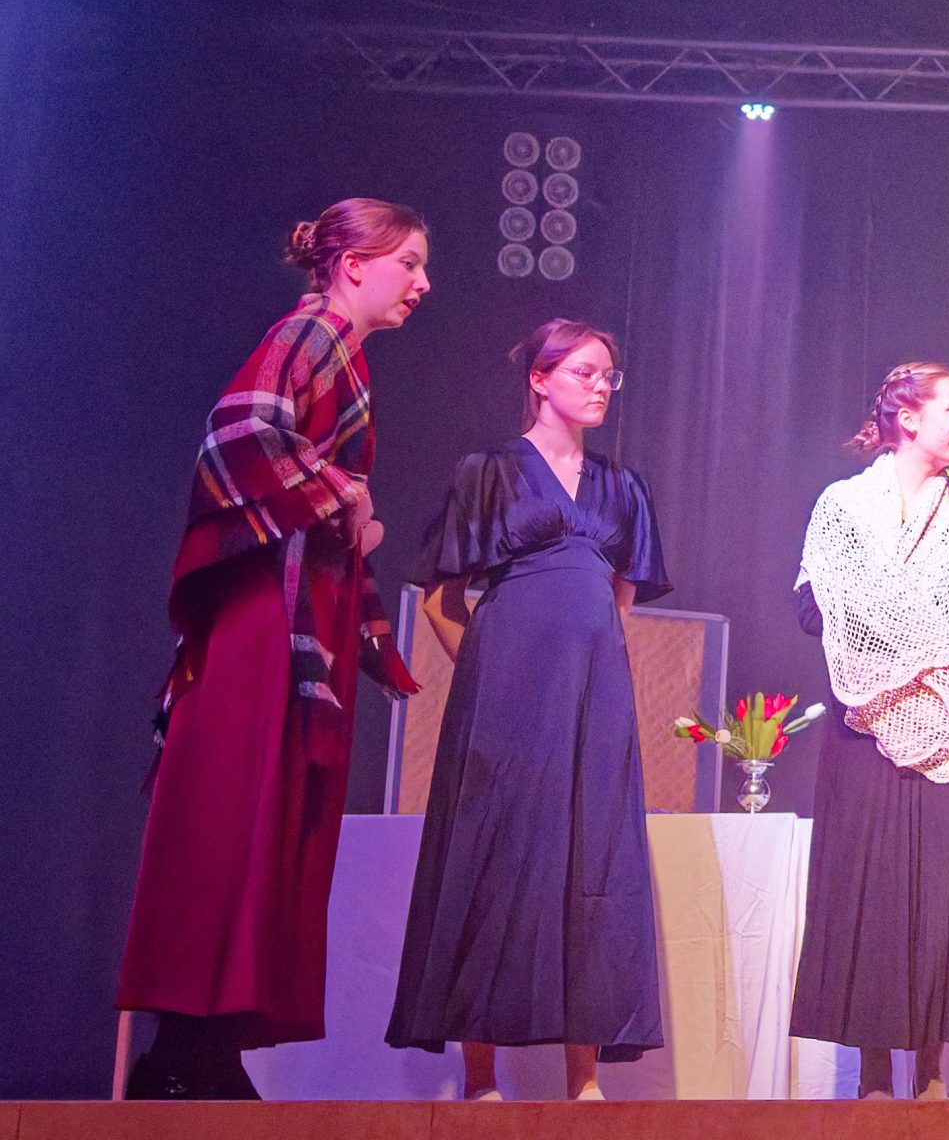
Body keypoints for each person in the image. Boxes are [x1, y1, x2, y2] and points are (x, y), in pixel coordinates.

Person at [118, 200, 431, 1100]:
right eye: (408, 262)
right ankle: (184, 1047)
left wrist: (347, 516)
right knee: (237, 804)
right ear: (353, 263)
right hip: (268, 615)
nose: (422, 283)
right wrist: (342, 496)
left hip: (301, 612)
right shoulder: (313, 332)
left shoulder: (342, 350)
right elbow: (239, 431)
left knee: (273, 815)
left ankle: (203, 1047)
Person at [387, 319, 671, 1099]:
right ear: (540, 379)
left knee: (593, 854)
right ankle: (480, 1079)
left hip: (593, 690)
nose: (601, 385)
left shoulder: (623, 486)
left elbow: (621, 598)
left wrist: (597, 665)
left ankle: (584, 1080)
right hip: (504, 689)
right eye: (584, 371)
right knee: (494, 851)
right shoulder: (489, 471)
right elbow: (441, 598)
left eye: (608, 374)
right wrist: (486, 669)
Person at [791, 363, 949, 1100]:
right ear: (909, 418)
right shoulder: (844, 508)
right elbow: (813, 610)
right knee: (874, 897)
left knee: (942, 901)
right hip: (869, 730)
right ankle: (870, 1081)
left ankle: (928, 1074)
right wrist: (907, 640)